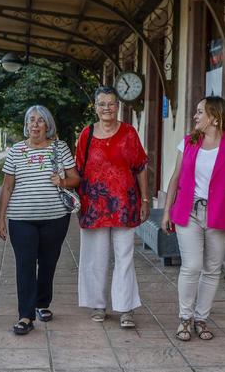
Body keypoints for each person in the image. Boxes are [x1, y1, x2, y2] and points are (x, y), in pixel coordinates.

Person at [161, 96, 225, 341]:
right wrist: (167, 210)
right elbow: (175, 177)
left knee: (211, 269)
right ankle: (185, 318)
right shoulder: (188, 143)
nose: (195, 116)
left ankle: (201, 319)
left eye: (200, 112)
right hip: (188, 212)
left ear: (215, 116)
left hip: (220, 212)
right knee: (191, 266)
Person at [0, 105, 80, 335]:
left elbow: (75, 179)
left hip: (55, 218)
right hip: (21, 219)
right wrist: (0, 218)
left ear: (47, 125)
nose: (35, 124)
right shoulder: (15, 151)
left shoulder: (59, 148)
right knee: (24, 265)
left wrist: (61, 182)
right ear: (26, 125)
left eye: (40, 120)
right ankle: (25, 315)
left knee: (48, 262)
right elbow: (7, 186)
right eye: (31, 120)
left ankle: (42, 303)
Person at [76, 86, 149, 328]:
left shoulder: (129, 133)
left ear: (118, 106)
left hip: (125, 204)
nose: (107, 108)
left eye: (111, 103)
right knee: (95, 258)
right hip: (93, 205)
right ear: (95, 107)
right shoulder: (86, 134)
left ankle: (125, 308)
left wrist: (146, 199)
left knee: (125, 257)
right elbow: (77, 170)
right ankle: (98, 304)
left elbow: (140, 167)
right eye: (102, 104)